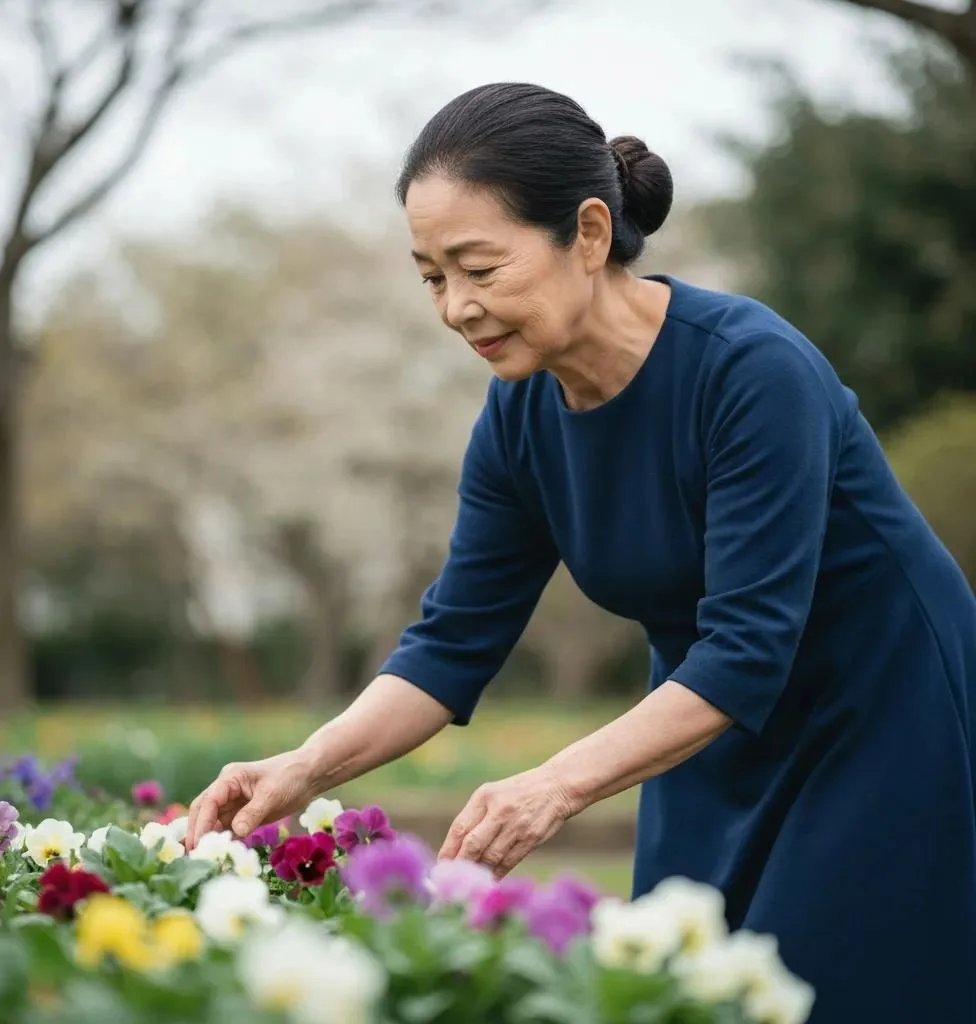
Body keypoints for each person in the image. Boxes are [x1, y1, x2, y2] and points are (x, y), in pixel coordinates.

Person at [184, 83, 976, 1022]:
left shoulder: (750, 371)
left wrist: (553, 785)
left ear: (590, 235)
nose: (456, 309)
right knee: (684, 996)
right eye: (433, 278)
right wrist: (305, 767)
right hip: (701, 732)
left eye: (479, 267)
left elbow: (751, 642)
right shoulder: (520, 415)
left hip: (880, 719)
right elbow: (451, 644)